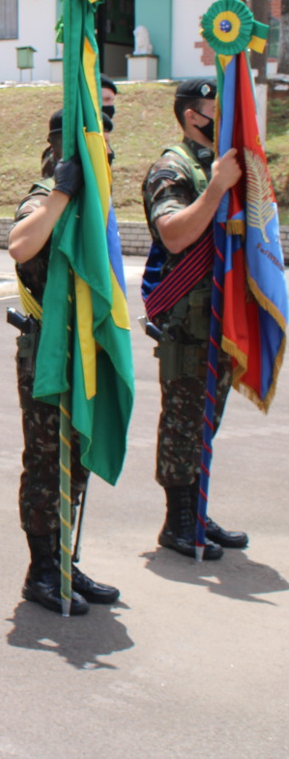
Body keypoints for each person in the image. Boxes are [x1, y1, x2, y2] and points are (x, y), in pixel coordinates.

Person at [8, 110, 120, 614]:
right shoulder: (42, 197)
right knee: (46, 463)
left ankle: (66, 560)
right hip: (48, 355)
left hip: (86, 354)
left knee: (75, 463)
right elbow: (19, 245)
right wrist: (61, 193)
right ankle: (43, 572)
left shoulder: (95, 206)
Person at [141, 78, 247, 560]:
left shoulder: (217, 164)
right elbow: (174, 234)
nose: (221, 115)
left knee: (207, 418)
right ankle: (177, 519)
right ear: (191, 116)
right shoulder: (172, 167)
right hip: (189, 320)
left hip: (222, 317)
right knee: (183, 420)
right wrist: (218, 188)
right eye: (213, 107)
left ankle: (198, 511)